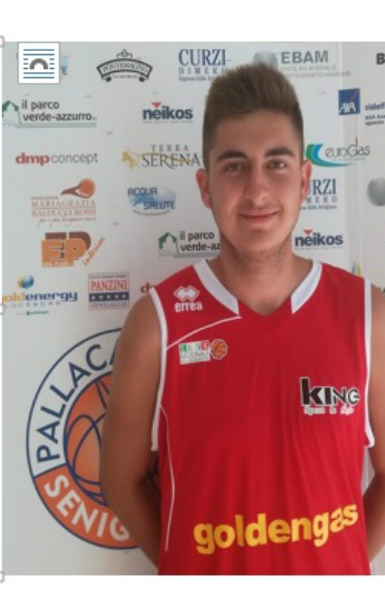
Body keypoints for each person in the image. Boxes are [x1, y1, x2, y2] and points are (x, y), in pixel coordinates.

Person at [100, 63, 385, 575]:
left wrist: (337, 563)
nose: (257, 191)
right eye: (234, 166)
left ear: (304, 179)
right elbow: (121, 482)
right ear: (205, 186)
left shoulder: (368, 316)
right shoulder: (157, 324)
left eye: (276, 164)